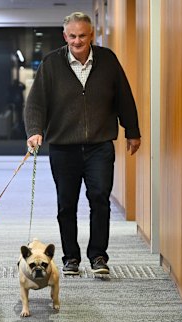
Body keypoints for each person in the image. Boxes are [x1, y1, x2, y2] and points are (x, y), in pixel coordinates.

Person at [24, 12, 141, 275]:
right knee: (66, 204)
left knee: (99, 199)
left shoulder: (108, 60)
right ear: (65, 36)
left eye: (83, 36)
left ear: (92, 35)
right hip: (64, 147)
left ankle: (98, 256)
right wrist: (34, 130)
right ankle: (70, 257)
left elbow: (124, 96)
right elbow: (36, 103)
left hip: (100, 145)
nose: (78, 41)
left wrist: (132, 130)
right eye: (73, 36)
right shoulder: (52, 63)